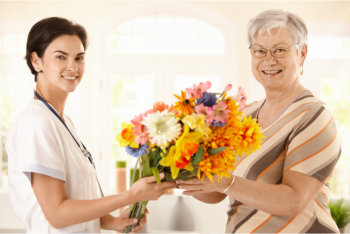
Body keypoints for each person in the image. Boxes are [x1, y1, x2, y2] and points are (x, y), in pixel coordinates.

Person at [177, 9, 341, 233]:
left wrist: (226, 183)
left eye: (280, 50)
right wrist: (177, 167)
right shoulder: (244, 115)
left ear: (302, 53)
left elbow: (293, 200)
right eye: (260, 51)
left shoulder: (313, 115)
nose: (268, 60)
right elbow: (215, 192)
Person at [6, 17, 176, 233]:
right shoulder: (36, 123)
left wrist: (112, 222)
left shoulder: (63, 122)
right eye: (60, 57)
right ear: (36, 61)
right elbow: (57, 214)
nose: (72, 66)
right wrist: (131, 196)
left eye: (79, 58)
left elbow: (75, 198)